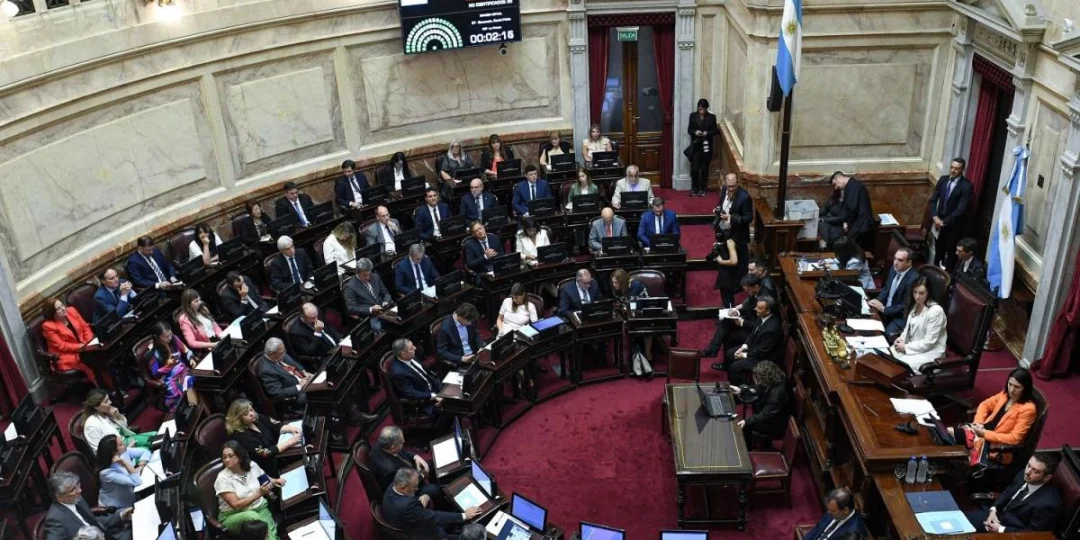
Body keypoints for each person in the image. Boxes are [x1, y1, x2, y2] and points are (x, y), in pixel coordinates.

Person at [952, 368, 1037, 468]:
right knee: (947, 434)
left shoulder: (1028, 409)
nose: (1011, 390)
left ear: (1025, 388)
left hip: (994, 445)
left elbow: (1015, 439)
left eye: (1017, 387)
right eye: (1010, 384)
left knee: (950, 434)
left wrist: (984, 434)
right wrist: (978, 422)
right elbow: (985, 405)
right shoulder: (1005, 394)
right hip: (981, 431)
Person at [965, 454, 1063, 533]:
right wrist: (993, 510)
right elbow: (1007, 492)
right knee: (959, 525)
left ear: (1047, 478)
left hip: (1011, 533)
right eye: (1029, 466)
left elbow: (1034, 534)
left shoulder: (1048, 504)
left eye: (1035, 471)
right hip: (996, 516)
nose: (1027, 472)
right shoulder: (1023, 475)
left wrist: (1000, 529)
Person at [382, 467, 481, 540]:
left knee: (432, 491)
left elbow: (411, 489)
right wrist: (464, 515)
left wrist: (425, 495)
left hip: (408, 521)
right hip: (424, 534)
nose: (417, 489)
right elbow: (434, 517)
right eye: (414, 486)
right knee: (473, 535)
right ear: (403, 487)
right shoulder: (407, 506)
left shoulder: (393, 486)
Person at [214, 441, 281, 540]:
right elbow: (236, 505)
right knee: (254, 518)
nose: (227, 460)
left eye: (231, 456)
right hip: (234, 515)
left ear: (240, 456)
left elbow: (264, 477)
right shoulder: (222, 478)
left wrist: (275, 481)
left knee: (271, 537)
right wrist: (259, 493)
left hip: (259, 507)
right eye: (224, 457)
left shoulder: (252, 466)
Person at [44, 471, 132, 540]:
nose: (79, 490)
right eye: (73, 489)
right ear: (59, 496)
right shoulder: (55, 519)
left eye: (77, 485)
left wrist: (121, 516)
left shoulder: (77, 498)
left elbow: (93, 521)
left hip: (110, 534)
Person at [224, 398, 301, 477]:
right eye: (246, 414)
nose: (251, 414)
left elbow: (275, 425)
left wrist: (291, 429)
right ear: (238, 419)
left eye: (251, 409)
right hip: (269, 468)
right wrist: (290, 442)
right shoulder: (241, 436)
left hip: (278, 452)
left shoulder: (256, 418)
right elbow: (265, 453)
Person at [889, 278, 947, 372]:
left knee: (898, 367)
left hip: (929, 353)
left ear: (928, 293)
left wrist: (905, 347)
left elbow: (929, 342)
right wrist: (901, 339)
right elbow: (908, 329)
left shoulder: (936, 312)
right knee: (887, 357)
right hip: (913, 346)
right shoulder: (916, 304)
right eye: (915, 292)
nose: (917, 296)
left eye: (921, 293)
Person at [734, 360, 793, 449]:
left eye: (757, 379)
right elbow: (759, 388)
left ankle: (746, 450)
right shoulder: (776, 378)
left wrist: (746, 421)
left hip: (775, 424)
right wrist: (742, 390)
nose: (756, 381)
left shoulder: (777, 394)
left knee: (747, 426)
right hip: (770, 412)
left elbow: (766, 415)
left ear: (765, 379)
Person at [705, 274, 763, 364]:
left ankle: (723, 361)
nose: (746, 292)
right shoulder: (754, 292)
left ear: (756, 287)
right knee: (725, 321)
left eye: (748, 290)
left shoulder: (762, 302)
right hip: (748, 320)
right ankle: (713, 349)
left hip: (753, 332)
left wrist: (742, 322)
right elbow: (749, 302)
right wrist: (738, 310)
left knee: (728, 335)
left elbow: (758, 325)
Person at [42, 297, 100, 385]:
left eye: (62, 305)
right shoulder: (48, 326)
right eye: (58, 309)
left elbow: (85, 327)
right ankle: (99, 386)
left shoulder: (71, 311)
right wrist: (83, 347)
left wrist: (89, 341)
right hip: (66, 354)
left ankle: (110, 383)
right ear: (52, 313)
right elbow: (62, 346)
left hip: (84, 345)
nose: (63, 309)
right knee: (88, 362)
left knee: (100, 354)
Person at [726, 296, 783, 385]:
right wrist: (743, 347)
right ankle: (731, 381)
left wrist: (744, 355)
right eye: (756, 306)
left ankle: (740, 390)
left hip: (763, 359)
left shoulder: (771, 329)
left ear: (768, 311)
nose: (755, 309)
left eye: (759, 308)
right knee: (730, 353)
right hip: (755, 348)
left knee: (735, 367)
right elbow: (752, 334)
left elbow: (763, 352)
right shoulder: (761, 316)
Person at [370, 426, 441, 497]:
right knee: (437, 489)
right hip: (410, 489)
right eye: (401, 442)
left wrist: (416, 456)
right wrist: (422, 474)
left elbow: (403, 452)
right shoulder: (390, 470)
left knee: (433, 463)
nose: (404, 441)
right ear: (393, 448)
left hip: (410, 471)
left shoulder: (383, 444)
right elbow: (406, 485)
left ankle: (435, 480)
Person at [82, 389, 154, 458]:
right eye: (106, 401)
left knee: (155, 435)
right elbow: (100, 453)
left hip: (127, 440)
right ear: (96, 406)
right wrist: (127, 449)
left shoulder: (105, 412)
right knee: (148, 448)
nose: (110, 402)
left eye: (109, 399)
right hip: (119, 451)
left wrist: (118, 415)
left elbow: (124, 427)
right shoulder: (91, 425)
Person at [929, 158, 973, 269]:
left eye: (956, 169)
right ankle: (934, 270)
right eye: (951, 167)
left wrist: (943, 222)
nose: (953, 170)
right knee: (938, 248)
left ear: (962, 169)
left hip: (953, 225)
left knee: (950, 251)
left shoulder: (966, 186)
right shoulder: (943, 180)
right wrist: (935, 217)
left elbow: (961, 209)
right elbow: (933, 200)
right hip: (938, 222)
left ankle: (947, 274)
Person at [611, 269, 654, 377]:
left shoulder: (636, 286)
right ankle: (630, 355)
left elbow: (645, 302)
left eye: (616, 283)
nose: (614, 285)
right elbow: (619, 305)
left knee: (646, 328)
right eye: (613, 282)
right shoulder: (616, 290)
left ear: (623, 282)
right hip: (627, 315)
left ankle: (648, 354)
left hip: (643, 313)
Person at [145, 321, 196, 411]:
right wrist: (168, 366)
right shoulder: (152, 353)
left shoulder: (174, 339)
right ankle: (187, 411)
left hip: (183, 371)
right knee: (179, 395)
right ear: (157, 337)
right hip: (168, 378)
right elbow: (155, 373)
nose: (170, 338)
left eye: (170, 334)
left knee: (191, 380)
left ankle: (194, 407)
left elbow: (186, 350)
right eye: (166, 336)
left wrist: (191, 359)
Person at [387, 338, 443, 416]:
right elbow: (411, 393)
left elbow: (428, 374)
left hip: (435, 389)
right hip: (424, 402)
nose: (415, 348)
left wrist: (442, 390)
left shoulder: (410, 357)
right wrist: (433, 396)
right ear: (403, 354)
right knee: (453, 407)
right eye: (411, 348)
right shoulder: (398, 373)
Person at [869, 247, 917, 335]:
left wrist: (884, 309)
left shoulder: (914, 279)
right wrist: (877, 301)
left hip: (900, 316)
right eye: (895, 258)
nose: (895, 262)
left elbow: (905, 306)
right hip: (886, 310)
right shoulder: (894, 269)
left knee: (886, 334)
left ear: (909, 263)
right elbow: (886, 289)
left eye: (900, 260)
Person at [820, 171, 873, 248]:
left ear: (839, 178)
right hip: (858, 223)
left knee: (849, 248)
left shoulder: (853, 186)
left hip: (861, 224)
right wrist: (846, 221)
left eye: (835, 184)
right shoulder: (851, 185)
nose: (836, 187)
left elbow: (852, 207)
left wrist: (847, 222)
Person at [257, 338, 313, 408]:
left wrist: (304, 372)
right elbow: (278, 393)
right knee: (320, 394)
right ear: (271, 354)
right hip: (296, 395)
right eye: (282, 352)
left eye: (284, 350)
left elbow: (294, 363)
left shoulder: (279, 354)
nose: (284, 354)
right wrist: (299, 386)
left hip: (305, 382)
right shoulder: (266, 370)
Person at [95, 434, 144, 511]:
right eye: (121, 444)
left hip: (131, 497)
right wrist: (124, 463)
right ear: (114, 452)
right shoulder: (106, 474)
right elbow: (137, 481)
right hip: (118, 508)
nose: (124, 444)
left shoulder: (121, 456)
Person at [344, 258, 392, 331]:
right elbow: (351, 308)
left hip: (384, 309)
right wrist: (371, 309)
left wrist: (386, 302)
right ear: (357, 273)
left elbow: (385, 293)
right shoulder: (350, 287)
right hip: (370, 316)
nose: (368, 278)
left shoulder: (375, 276)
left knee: (400, 319)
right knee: (378, 328)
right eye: (364, 275)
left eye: (369, 274)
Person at [686, 98, 718, 197]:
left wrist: (707, 133)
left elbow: (715, 131)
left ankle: (702, 189)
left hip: (706, 147)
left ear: (706, 108)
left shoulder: (711, 117)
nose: (702, 111)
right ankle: (694, 188)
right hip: (696, 146)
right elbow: (689, 130)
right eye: (700, 109)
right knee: (694, 169)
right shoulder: (692, 116)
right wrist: (695, 132)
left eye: (703, 109)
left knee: (704, 169)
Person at [436, 303, 483, 367]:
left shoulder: (470, 319)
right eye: (468, 321)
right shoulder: (445, 328)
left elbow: (476, 334)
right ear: (460, 317)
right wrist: (461, 358)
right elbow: (442, 352)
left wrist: (480, 347)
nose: (470, 323)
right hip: (460, 361)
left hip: (474, 355)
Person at [711, 228, 741, 308]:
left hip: (727, 274)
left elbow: (734, 261)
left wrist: (721, 261)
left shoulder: (729, 242)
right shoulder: (737, 239)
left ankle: (729, 314)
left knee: (727, 300)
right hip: (734, 272)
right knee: (728, 297)